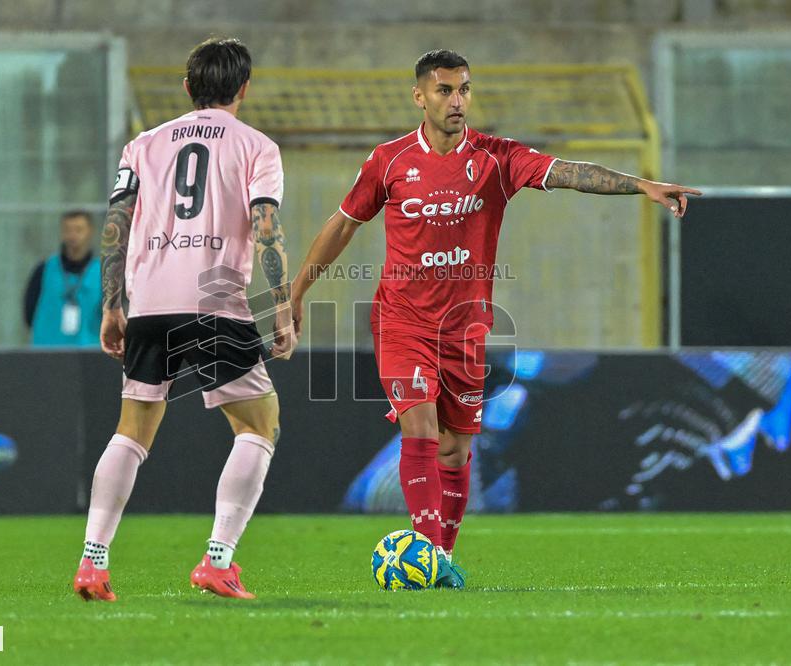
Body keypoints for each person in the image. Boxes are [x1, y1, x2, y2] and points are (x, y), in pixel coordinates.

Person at [290, 49, 701, 589]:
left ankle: (438, 554)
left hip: (465, 328)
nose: (456, 100)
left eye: (463, 89)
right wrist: (296, 294)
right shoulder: (388, 162)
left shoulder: (496, 159)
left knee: (457, 448)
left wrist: (640, 185)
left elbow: (570, 172)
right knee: (418, 428)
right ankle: (426, 557)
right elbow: (342, 225)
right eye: (444, 90)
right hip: (402, 320)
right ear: (420, 97)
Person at [73, 38, 295, 602]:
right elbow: (266, 226)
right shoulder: (258, 147)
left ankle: (92, 563)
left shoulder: (144, 144)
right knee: (258, 425)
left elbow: (116, 222)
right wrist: (281, 304)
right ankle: (217, 559)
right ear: (243, 88)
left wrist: (112, 303)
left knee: (131, 432)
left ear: (186, 88)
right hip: (215, 300)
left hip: (148, 301)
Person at [23, 210, 102, 347]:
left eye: (79, 230)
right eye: (68, 230)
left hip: (90, 353)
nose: (73, 236)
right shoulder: (45, 269)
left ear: (90, 231)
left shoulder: (103, 272)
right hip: (47, 352)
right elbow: (29, 311)